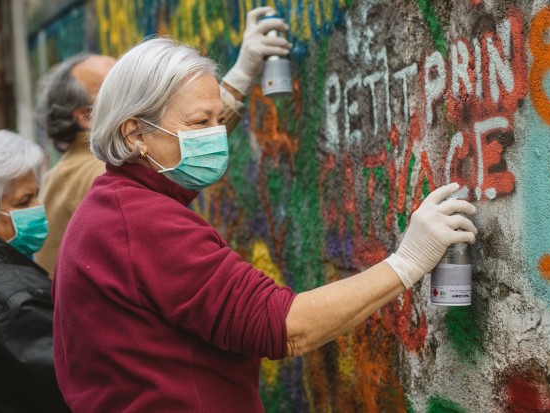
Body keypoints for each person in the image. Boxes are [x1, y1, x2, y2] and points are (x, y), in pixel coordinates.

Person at [51, 37, 478, 412]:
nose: (216, 136)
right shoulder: (141, 223)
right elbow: (288, 328)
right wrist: (407, 262)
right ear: (134, 134)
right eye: (200, 123)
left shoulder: (113, 206)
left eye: (219, 120)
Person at [35, 6, 291, 278]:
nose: (129, 91)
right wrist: (239, 76)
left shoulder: (82, 172)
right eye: (111, 88)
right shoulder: (90, 178)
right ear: (87, 117)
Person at [0, 130, 70, 412]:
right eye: (24, 202)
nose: (37, 209)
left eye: (36, 196)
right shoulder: (17, 300)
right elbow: (69, 389)